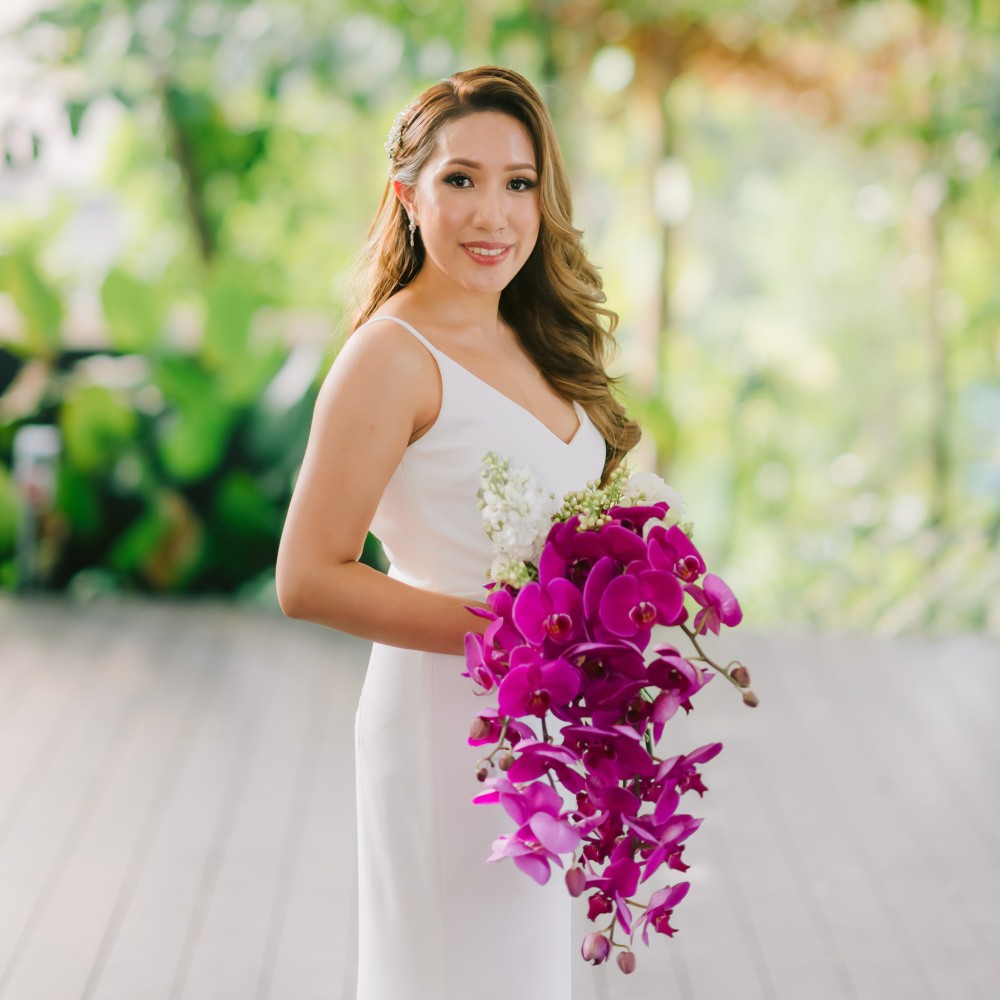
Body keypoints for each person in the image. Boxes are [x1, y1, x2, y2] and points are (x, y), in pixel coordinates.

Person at [276, 65, 639, 1000]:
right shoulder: (389, 359)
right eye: (461, 180)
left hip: (544, 724)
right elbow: (307, 577)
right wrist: (515, 636)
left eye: (519, 183)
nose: (494, 215)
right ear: (407, 195)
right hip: (448, 722)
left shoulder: (533, 336)